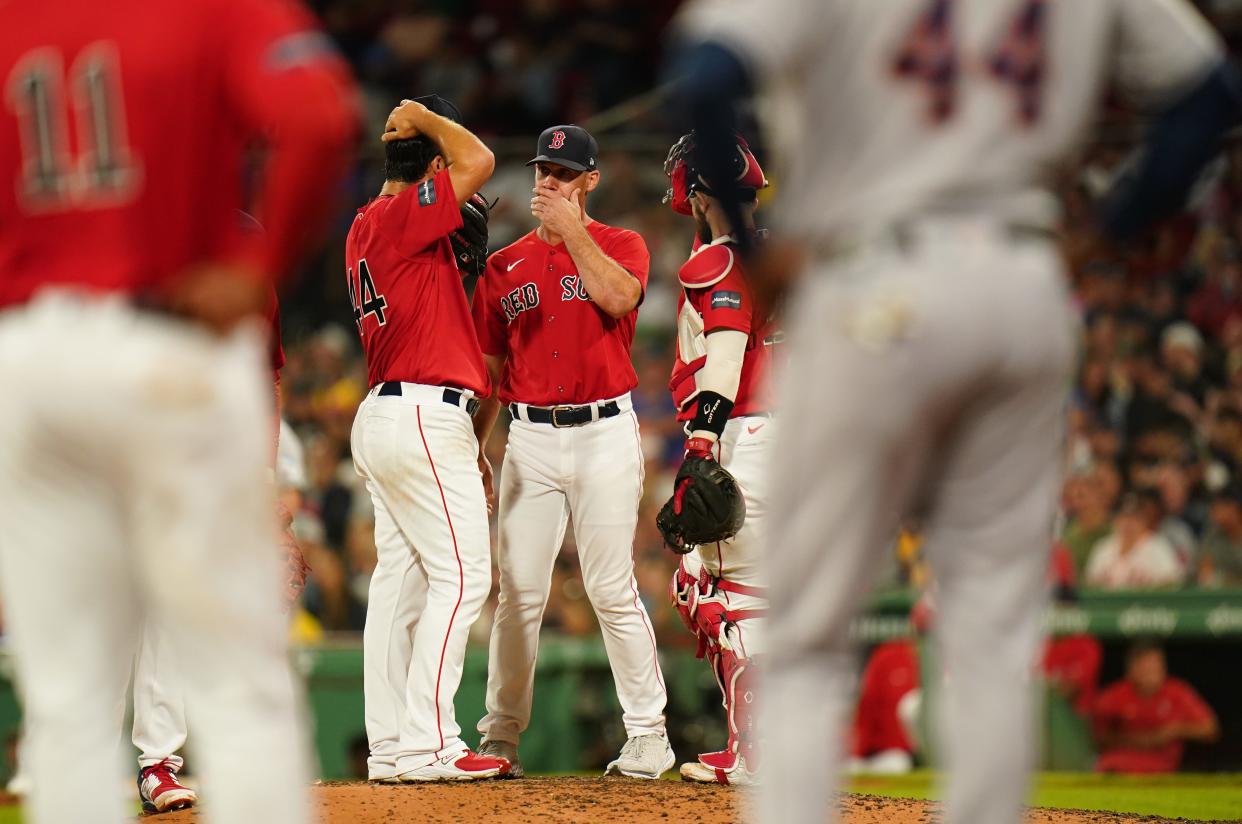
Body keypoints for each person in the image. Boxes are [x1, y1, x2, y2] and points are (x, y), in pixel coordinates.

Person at [667, 0, 1240, 822]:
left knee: (805, 629)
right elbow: (1210, 93)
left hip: (868, 271)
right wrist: (1115, 226)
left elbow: (705, 76)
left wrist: (756, 253)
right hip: (1019, 281)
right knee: (991, 631)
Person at [0, 1, 356, 822]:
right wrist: (258, 264)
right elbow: (319, 112)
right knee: (237, 685)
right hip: (166, 336)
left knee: (67, 701)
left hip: (33, 349)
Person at [471, 125, 672, 779]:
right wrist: (475, 446)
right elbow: (493, 369)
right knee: (519, 595)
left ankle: (648, 736)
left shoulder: (620, 244)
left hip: (604, 429)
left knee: (611, 586)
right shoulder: (504, 265)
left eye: (561, 173)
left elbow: (618, 297)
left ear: (589, 182)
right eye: (541, 171)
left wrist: (571, 228)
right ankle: (500, 736)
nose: (546, 182)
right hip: (528, 435)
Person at [347, 95, 510, 783]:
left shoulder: (363, 225)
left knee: (401, 584)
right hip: (418, 412)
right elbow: (482, 159)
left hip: (388, 414)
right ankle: (429, 742)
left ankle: (390, 746)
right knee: (464, 576)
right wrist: (420, 113)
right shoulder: (402, 216)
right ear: (433, 168)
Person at [661, 131, 773, 785]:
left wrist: (703, 440)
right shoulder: (778, 258)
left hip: (742, 433)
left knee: (713, 588)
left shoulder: (722, 259)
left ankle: (753, 751)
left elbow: (726, 348)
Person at [1092, 642, 1218, 773]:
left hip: (1162, 761)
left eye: (1157, 667)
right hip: (1125, 755)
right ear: (1131, 670)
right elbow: (1099, 736)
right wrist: (1136, 740)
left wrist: (1173, 730)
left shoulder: (1177, 692)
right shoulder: (1115, 695)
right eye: (1146, 669)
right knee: (1106, 765)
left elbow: (1211, 729)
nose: (1153, 674)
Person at [1084, 490, 1183, 589]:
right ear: (1115, 520)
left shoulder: (1158, 546)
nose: (1128, 523)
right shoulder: (1103, 547)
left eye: (1134, 518)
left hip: (1147, 604)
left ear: (1144, 520)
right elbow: (1090, 584)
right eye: (1124, 517)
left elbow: (1173, 582)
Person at [1197, 484, 1242, 586]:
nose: (1213, 514)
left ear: (1234, 508)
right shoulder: (1212, 536)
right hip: (1222, 596)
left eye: (1218, 508)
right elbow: (1205, 575)